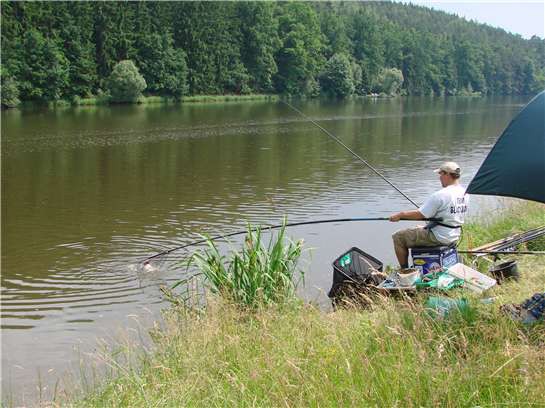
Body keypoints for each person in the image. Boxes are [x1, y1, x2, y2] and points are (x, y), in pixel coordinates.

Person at [389, 161, 469, 269]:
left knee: (398, 237)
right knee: (418, 229)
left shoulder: (441, 195)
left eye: (440, 174)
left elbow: (421, 214)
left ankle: (405, 271)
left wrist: (400, 215)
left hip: (438, 237)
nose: (439, 178)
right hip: (453, 235)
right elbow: (448, 218)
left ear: (447, 174)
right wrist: (426, 227)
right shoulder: (465, 193)